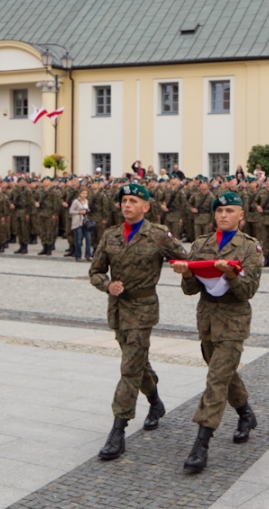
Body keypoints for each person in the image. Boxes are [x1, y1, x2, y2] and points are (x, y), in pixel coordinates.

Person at [89, 183, 188, 461]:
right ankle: (156, 403)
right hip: (118, 309)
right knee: (137, 361)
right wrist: (107, 285)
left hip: (143, 310)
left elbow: (184, 259)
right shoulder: (110, 235)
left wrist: (191, 271)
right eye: (124, 201)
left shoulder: (157, 235)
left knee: (130, 367)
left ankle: (118, 431)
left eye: (133, 201)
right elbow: (95, 272)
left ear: (146, 207)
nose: (127, 205)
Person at [171, 192, 262, 473]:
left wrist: (232, 275)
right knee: (224, 373)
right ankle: (246, 414)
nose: (223, 215)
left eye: (230, 210)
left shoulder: (250, 247)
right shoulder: (201, 244)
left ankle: (201, 444)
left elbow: (248, 291)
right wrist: (186, 273)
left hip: (233, 323)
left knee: (215, 380)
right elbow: (190, 290)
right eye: (220, 210)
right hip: (208, 321)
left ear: (241, 216)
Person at [70, 188, 93, 261]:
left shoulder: (86, 201)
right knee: (79, 240)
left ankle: (88, 255)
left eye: (86, 194)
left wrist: (87, 211)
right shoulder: (76, 202)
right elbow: (71, 211)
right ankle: (78, 256)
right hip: (77, 222)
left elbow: (87, 210)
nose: (85, 195)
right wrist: (79, 212)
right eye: (83, 193)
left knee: (88, 238)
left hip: (85, 222)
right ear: (80, 193)